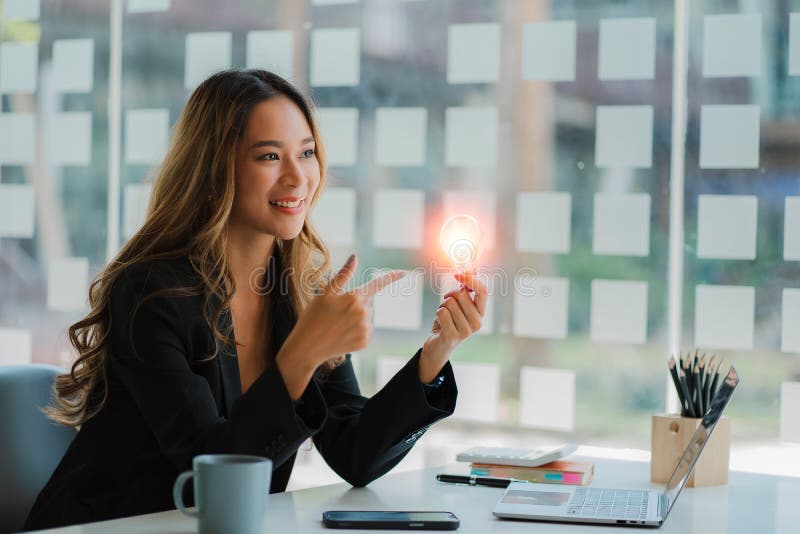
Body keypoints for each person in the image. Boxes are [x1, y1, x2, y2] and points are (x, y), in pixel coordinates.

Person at [24, 69, 487, 530]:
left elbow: (356, 454)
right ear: (214, 169)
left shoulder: (296, 291)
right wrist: (302, 355)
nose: (297, 177)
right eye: (269, 156)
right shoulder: (150, 293)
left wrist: (436, 351)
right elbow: (210, 475)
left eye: (306, 153)